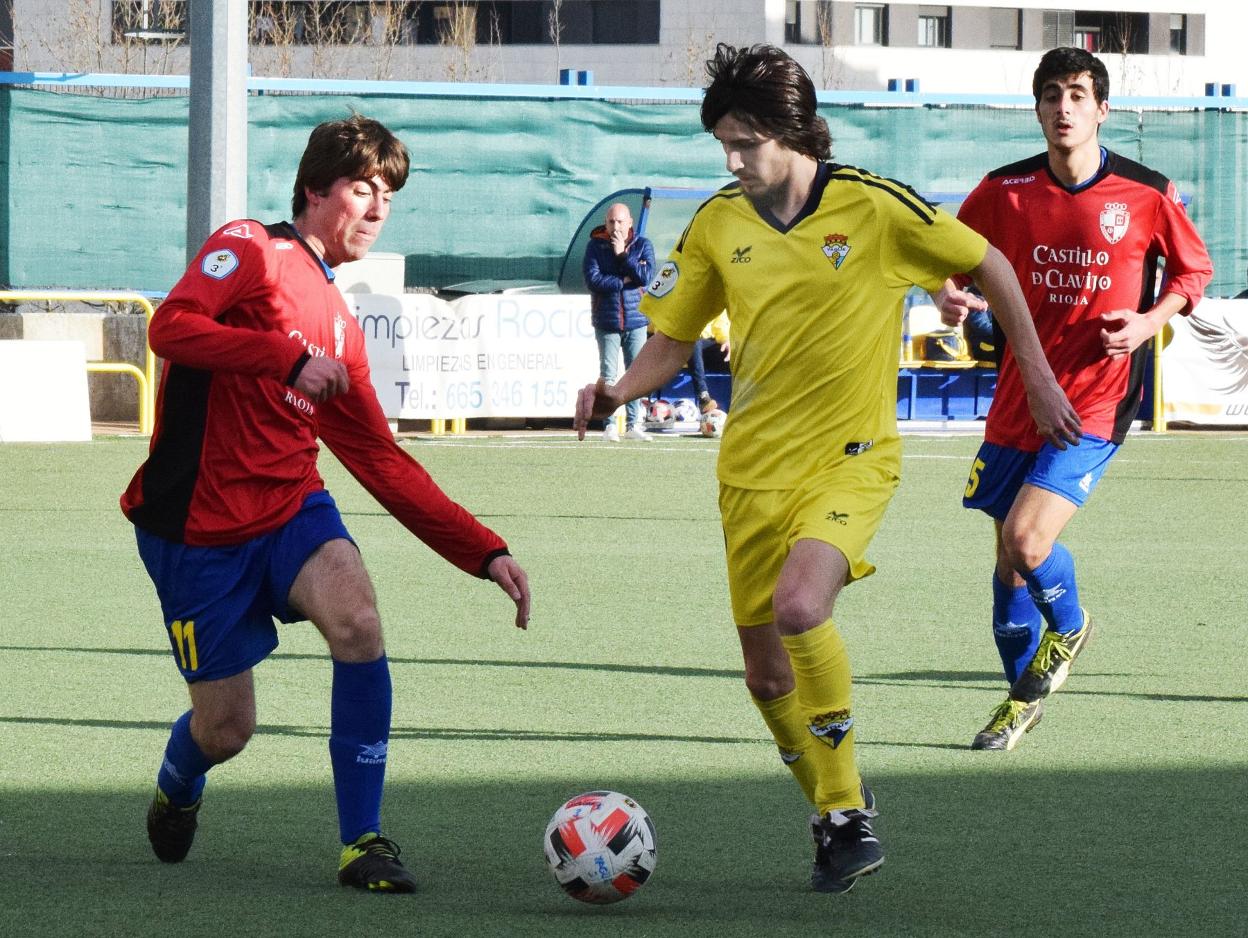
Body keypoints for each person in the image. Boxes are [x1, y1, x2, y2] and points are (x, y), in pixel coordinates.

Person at [574, 44, 1078, 895]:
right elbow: (672, 337)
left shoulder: (874, 207)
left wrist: (1030, 368)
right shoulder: (717, 223)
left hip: (851, 460)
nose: (732, 162)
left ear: (792, 131)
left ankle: (845, 813)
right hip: (750, 475)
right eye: (722, 146)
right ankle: (833, 806)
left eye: (745, 144)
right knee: (767, 677)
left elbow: (987, 261)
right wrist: (618, 390)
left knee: (804, 604)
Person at [121, 114, 532, 892]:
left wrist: (484, 549)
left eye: (388, 195)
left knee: (359, 619)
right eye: (361, 189)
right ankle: (179, 780)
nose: (377, 208)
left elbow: (379, 460)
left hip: (291, 510)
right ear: (315, 190)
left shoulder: (343, 328)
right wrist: (283, 357)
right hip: (196, 531)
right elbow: (171, 329)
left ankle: (363, 842)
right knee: (228, 729)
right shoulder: (250, 247)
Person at [933, 47, 1212, 751]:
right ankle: (1021, 700)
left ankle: (1073, 625)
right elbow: (951, 251)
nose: (1065, 107)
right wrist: (947, 290)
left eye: (1079, 95)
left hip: (1096, 398)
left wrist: (1150, 321)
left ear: (1102, 109)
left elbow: (1193, 268)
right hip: (1018, 396)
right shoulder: (1006, 190)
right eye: (1052, 94)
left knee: (1031, 539)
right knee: (1006, 561)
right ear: (1037, 108)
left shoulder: (1146, 193)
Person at [582, 202, 656, 440]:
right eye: (611, 221)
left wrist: (623, 254)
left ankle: (635, 424)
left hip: (637, 320)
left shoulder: (643, 245)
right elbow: (593, 280)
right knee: (608, 374)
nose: (616, 226)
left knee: (636, 373)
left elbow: (645, 277)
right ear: (606, 222)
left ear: (630, 223)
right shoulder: (595, 247)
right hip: (607, 320)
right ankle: (610, 425)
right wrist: (623, 281)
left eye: (620, 222)